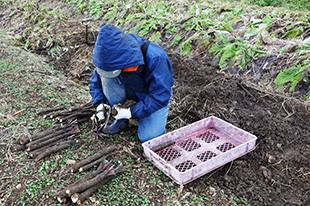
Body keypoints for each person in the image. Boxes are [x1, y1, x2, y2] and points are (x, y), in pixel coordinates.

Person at [89, 25, 174, 142]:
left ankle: (128, 113)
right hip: (129, 86)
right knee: (105, 77)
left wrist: (130, 112)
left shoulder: (156, 58)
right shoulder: (108, 56)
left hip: (151, 95)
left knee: (149, 137)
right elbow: (95, 82)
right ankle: (119, 116)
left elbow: (160, 95)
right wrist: (99, 104)